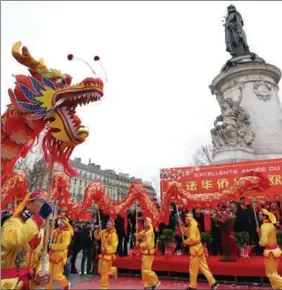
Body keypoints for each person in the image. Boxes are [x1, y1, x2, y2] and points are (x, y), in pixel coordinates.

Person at [1, 189, 52, 290]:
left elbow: (43, 256)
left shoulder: (40, 231)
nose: (46, 205)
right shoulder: (12, 222)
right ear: (28, 204)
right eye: (42, 200)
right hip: (8, 285)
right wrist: (39, 219)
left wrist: (42, 272)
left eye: (47, 202)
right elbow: (12, 242)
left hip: (30, 285)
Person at [183, 212, 219, 290]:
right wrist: (184, 229)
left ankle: (192, 286)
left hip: (195, 250)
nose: (185, 220)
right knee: (203, 267)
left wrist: (185, 242)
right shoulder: (191, 226)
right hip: (198, 249)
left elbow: (192, 239)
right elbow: (189, 234)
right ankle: (213, 282)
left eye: (186, 218)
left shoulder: (192, 227)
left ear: (189, 219)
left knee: (193, 269)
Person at [46, 215, 73, 290]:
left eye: (62, 221)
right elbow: (50, 234)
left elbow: (64, 246)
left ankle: (66, 284)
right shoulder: (57, 230)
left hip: (60, 257)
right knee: (49, 276)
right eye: (59, 221)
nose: (60, 223)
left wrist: (52, 246)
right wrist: (49, 224)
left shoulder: (66, 233)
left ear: (66, 223)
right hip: (52, 256)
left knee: (57, 276)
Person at [258, 209, 282, 289]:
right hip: (274, 251)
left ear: (265, 217)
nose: (259, 216)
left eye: (261, 214)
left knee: (271, 273)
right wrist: (260, 232)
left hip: (270, 252)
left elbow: (263, 242)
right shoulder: (270, 225)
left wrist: (260, 241)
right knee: (273, 272)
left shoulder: (264, 226)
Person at [135, 217, 161, 290]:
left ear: (149, 223)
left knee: (146, 270)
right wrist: (136, 230)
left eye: (146, 222)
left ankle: (156, 281)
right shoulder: (145, 231)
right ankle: (148, 285)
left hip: (148, 252)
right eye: (144, 222)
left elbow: (148, 243)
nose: (144, 223)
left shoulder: (149, 232)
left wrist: (140, 244)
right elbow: (138, 235)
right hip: (145, 252)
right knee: (144, 270)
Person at [94, 219, 118, 289]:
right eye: (107, 224)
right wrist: (98, 230)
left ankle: (104, 287)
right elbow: (97, 236)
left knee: (104, 272)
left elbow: (114, 246)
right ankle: (113, 270)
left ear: (112, 225)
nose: (107, 226)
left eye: (109, 224)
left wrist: (106, 249)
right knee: (100, 270)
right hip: (102, 254)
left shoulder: (114, 235)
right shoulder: (104, 232)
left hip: (108, 255)